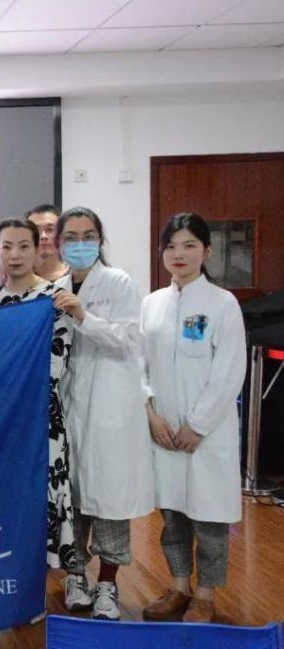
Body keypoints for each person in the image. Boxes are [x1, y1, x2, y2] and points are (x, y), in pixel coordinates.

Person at [140, 212, 246, 623]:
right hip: (164, 432)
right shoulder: (152, 304)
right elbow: (139, 366)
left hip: (208, 435)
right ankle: (179, 586)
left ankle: (205, 595)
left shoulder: (222, 304)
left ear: (207, 251)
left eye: (188, 245)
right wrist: (151, 414)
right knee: (173, 519)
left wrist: (198, 425)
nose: (178, 254)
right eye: (170, 246)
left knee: (211, 523)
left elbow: (229, 372)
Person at [52, 207, 154, 621]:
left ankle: (108, 584)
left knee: (110, 501)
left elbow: (127, 341)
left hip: (110, 408)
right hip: (69, 407)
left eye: (88, 236)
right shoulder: (54, 289)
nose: (80, 244)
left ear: (100, 240)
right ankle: (75, 576)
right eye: (71, 237)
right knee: (72, 500)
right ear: (58, 244)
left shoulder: (118, 282)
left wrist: (83, 315)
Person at [0, 219, 76, 581]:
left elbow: (56, 363)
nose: (14, 255)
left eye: (23, 246)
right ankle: (5, 579)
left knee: (39, 497)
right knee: (2, 495)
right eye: (6, 246)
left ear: (37, 250)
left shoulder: (54, 300)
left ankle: (36, 584)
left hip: (39, 417)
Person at [26, 204, 69, 282]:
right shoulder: (19, 278)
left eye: (50, 229)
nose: (43, 236)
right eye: (36, 230)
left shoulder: (76, 275)